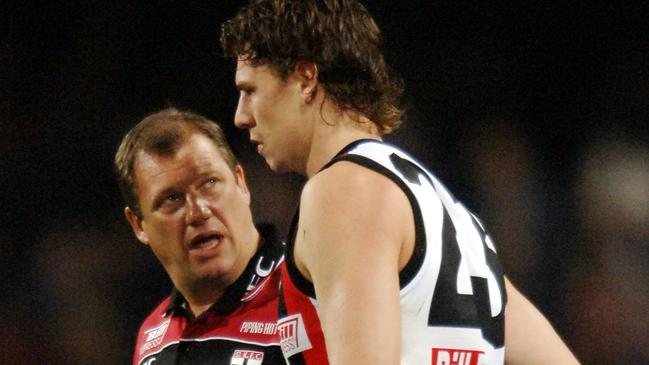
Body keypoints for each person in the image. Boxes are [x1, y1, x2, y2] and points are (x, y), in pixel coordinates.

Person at [221, 1, 579, 364]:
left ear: (306, 79)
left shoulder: (343, 192)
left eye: (250, 90)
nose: (241, 116)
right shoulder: (449, 214)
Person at [115, 108, 286, 365]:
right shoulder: (153, 336)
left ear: (241, 183)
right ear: (139, 225)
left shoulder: (305, 290)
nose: (198, 212)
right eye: (172, 199)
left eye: (209, 183)